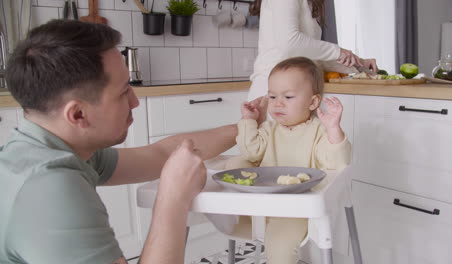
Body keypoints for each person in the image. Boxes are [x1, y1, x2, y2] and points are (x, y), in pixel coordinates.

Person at [0, 19, 263, 264]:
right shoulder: (50, 188)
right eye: (124, 91)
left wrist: (248, 125)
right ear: (78, 114)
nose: (134, 101)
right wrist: (172, 198)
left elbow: (159, 154)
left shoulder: (46, 146)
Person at [224, 57, 351, 264]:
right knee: (237, 163)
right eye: (272, 96)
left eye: (288, 96)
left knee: (280, 247)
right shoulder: (270, 129)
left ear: (313, 102)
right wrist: (249, 120)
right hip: (259, 206)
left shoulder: (319, 131)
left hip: (295, 209)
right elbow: (250, 153)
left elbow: (337, 163)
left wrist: (333, 129)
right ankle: (241, 217)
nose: (278, 103)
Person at [247, 0, 378, 101]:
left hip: (296, 93)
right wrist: (338, 51)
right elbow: (289, 43)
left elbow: (313, 56)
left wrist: (358, 63)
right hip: (272, 93)